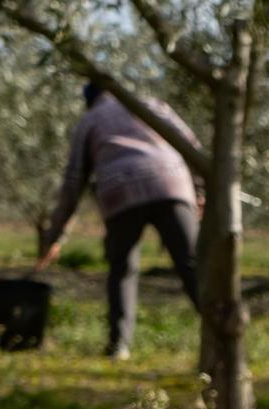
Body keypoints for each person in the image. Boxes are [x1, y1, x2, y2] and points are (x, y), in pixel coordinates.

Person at [35, 80, 203, 359]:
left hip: (120, 193)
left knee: (122, 269)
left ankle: (119, 345)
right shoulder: (151, 106)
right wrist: (199, 190)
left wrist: (56, 236)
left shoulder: (89, 120)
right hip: (171, 184)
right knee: (192, 264)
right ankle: (219, 330)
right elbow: (191, 145)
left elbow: (73, 182)